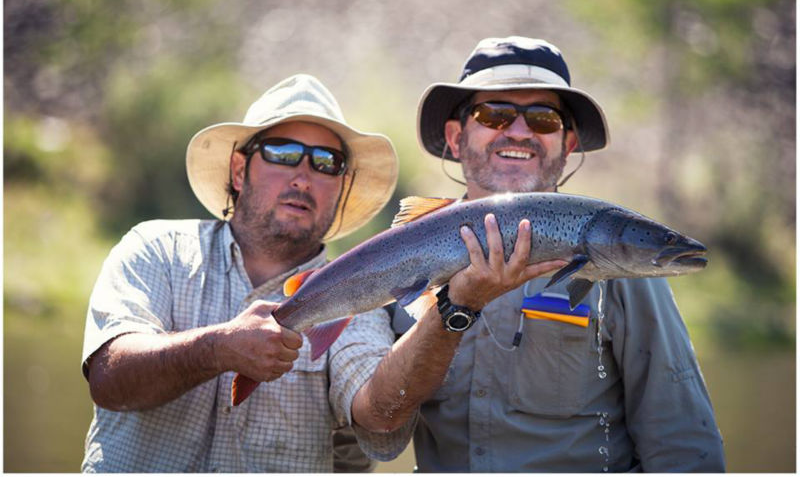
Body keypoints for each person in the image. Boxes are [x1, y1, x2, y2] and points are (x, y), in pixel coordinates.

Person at [385, 36, 726, 472]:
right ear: (455, 137)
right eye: (494, 114)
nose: (520, 131)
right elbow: (370, 430)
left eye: (544, 119)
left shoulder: (621, 266)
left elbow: (682, 443)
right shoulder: (398, 255)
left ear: (566, 145)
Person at [80, 74, 412, 472]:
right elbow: (109, 382)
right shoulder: (156, 248)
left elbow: (380, 417)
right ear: (239, 171)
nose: (303, 177)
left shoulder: (363, 297)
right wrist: (216, 347)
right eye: (283, 152)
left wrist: (454, 310)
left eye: (327, 162)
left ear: (340, 188)